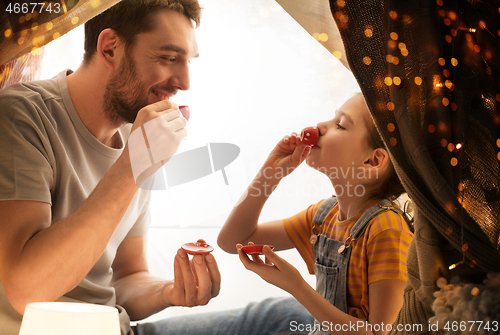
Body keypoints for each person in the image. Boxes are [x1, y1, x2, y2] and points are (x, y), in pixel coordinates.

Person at [0, 1, 314, 334]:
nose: (184, 81)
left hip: (118, 329)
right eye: (168, 58)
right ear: (110, 48)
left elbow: (126, 277)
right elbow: (26, 290)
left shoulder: (134, 134)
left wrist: (170, 291)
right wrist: (132, 168)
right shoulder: (23, 116)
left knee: (296, 317)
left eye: (188, 61)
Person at [218, 93, 414, 334]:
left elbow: (380, 333)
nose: (320, 126)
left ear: (372, 161)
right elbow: (232, 241)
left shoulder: (386, 230)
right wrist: (271, 173)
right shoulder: (323, 216)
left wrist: (297, 287)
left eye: (340, 125)